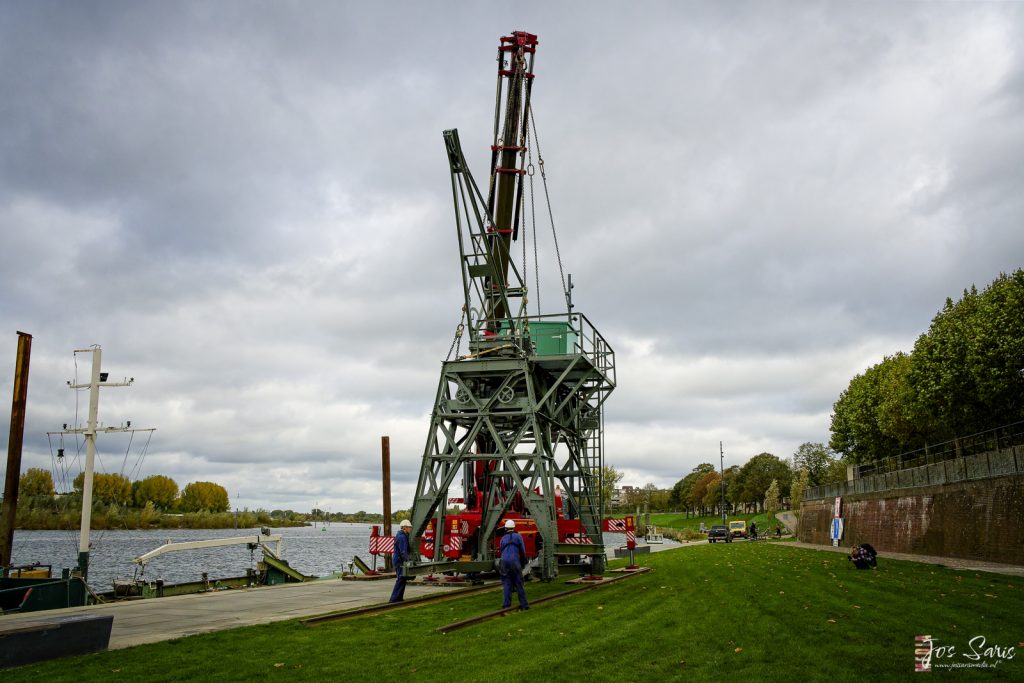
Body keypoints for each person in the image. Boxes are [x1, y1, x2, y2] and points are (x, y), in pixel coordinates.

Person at [499, 519, 529, 611]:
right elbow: (523, 552)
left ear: (506, 528)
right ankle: (524, 605)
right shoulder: (518, 537)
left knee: (507, 583)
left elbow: (501, 551)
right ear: (514, 527)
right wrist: (523, 564)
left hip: (504, 562)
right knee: (519, 583)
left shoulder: (503, 538)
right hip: (515, 562)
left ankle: (506, 605)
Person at [389, 519, 412, 603]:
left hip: (398, 559)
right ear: (405, 528)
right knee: (401, 578)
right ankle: (394, 598)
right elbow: (403, 551)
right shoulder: (402, 537)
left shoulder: (401, 535)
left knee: (403, 578)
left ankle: (399, 598)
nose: (411, 529)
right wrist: (407, 562)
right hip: (400, 561)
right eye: (409, 527)